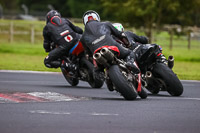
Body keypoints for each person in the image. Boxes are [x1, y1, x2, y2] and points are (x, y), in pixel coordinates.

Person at [80, 10, 140, 74]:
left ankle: (99, 73)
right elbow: (121, 35)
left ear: (84, 22)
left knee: (97, 70)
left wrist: (95, 66)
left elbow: (88, 54)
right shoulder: (106, 24)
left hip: (97, 53)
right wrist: (128, 44)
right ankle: (130, 63)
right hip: (111, 45)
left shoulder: (83, 37)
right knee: (129, 53)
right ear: (97, 18)